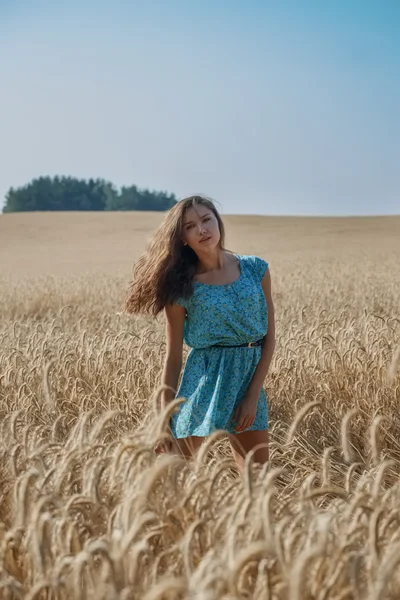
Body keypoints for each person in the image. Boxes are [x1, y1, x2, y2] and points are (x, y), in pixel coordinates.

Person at [126, 195, 275, 472]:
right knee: (174, 471)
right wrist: (163, 419)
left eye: (207, 220)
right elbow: (172, 359)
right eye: (190, 226)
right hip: (202, 381)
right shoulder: (181, 289)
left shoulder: (256, 269)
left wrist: (252, 396)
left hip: (247, 378)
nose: (202, 230)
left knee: (258, 479)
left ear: (218, 222)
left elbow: (269, 339)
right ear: (182, 238)